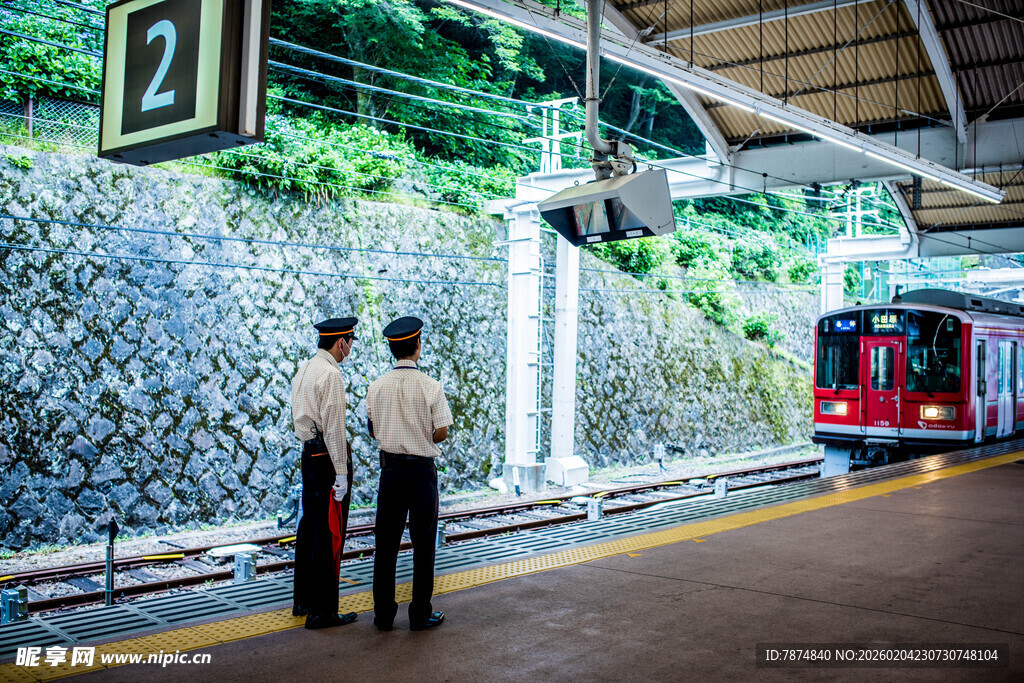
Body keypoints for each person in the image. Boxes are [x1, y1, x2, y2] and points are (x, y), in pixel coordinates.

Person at [367, 316, 453, 632]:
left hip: (390, 472)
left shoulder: (376, 387)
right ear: (417, 346)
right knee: (424, 544)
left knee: (386, 545)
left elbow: (373, 428)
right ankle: (419, 614)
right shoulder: (431, 386)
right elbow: (440, 431)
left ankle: (383, 615)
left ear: (392, 349)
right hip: (421, 473)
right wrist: (422, 432)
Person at [290, 316, 359, 630]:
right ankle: (323, 612)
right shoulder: (331, 374)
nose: (350, 348)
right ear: (341, 341)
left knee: (309, 527)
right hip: (327, 457)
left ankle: (302, 600)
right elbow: (334, 428)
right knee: (330, 532)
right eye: (351, 342)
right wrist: (342, 474)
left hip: (308, 452)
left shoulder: (305, 368)